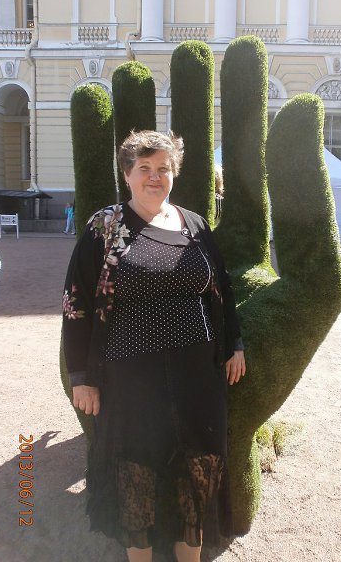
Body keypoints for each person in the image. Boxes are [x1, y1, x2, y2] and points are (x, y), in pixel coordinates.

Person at [62, 130, 246, 562]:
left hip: (197, 378)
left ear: (174, 173)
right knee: (135, 476)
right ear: (127, 174)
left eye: (163, 168)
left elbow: (221, 288)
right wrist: (81, 377)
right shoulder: (105, 226)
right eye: (144, 168)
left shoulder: (194, 225)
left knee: (197, 473)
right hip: (131, 382)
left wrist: (234, 344)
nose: (154, 177)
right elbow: (76, 300)